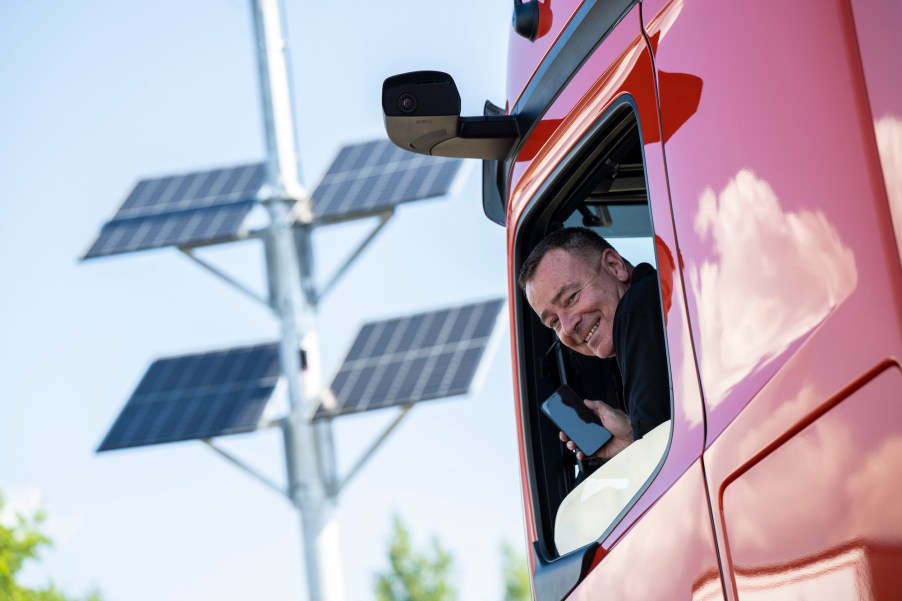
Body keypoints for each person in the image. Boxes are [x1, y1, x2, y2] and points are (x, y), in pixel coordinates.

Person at [518, 227, 670, 460]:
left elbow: (667, 468)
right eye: (554, 322)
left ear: (614, 266)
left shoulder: (636, 309)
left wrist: (642, 440)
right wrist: (632, 438)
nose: (567, 328)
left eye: (571, 298)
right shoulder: (659, 311)